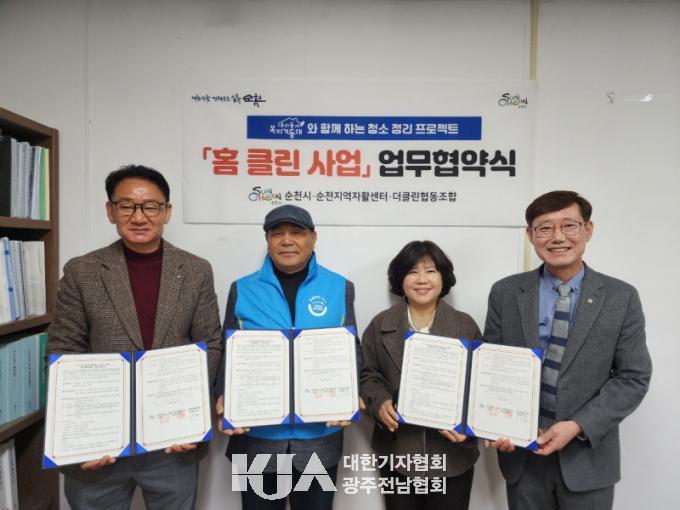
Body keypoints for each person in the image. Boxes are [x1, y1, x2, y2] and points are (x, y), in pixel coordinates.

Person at [47, 164, 222, 510]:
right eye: (127, 206)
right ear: (110, 211)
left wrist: (192, 420)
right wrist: (78, 436)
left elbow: (209, 344)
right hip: (100, 443)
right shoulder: (82, 271)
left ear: (166, 212)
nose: (139, 217)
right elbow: (64, 350)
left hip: (171, 441)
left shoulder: (196, 270)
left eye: (150, 206)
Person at [484, 190, 652, 510]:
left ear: (588, 230)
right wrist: (494, 424)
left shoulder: (621, 297)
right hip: (523, 457)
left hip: (587, 457)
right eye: (545, 228)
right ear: (530, 235)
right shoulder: (506, 292)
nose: (558, 237)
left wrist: (577, 426)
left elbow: (633, 377)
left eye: (569, 225)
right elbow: (491, 366)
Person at [214, 204, 361, 510]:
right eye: (277, 233)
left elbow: (350, 349)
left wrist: (350, 394)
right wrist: (223, 396)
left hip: (319, 440)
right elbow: (229, 351)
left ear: (313, 238)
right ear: (267, 240)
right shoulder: (242, 289)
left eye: (297, 232)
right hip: (257, 440)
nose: (287, 240)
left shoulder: (339, 287)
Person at [360, 240, 481, 510]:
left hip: (452, 458)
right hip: (398, 455)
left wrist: (468, 428)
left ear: (443, 277)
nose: (422, 279)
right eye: (412, 271)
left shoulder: (465, 326)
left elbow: (479, 386)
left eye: (431, 271)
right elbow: (368, 374)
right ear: (400, 279)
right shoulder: (380, 325)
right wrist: (379, 402)